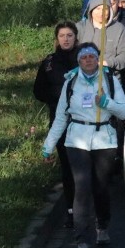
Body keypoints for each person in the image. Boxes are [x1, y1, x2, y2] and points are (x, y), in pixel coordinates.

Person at [42, 43, 125, 248]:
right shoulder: (71, 82)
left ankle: (102, 225)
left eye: (92, 57)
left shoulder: (109, 80)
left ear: (97, 59)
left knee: (100, 187)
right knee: (81, 187)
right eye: (84, 58)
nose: (88, 60)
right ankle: (81, 237)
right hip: (77, 140)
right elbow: (61, 115)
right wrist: (48, 145)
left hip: (104, 141)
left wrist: (107, 103)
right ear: (79, 61)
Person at [34, 21, 79, 228]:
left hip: (83, 121)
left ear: (75, 38)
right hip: (60, 121)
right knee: (68, 168)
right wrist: (56, 100)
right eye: (62, 36)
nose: (66, 39)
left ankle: (88, 208)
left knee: (84, 167)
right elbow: (38, 91)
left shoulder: (85, 59)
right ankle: (71, 210)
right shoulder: (49, 63)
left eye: (70, 35)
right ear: (57, 39)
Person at [76, 0, 125, 75]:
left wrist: (108, 63)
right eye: (98, 9)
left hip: (110, 76)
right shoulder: (80, 27)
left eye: (105, 9)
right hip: (82, 76)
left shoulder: (119, 28)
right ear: (91, 10)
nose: (101, 13)